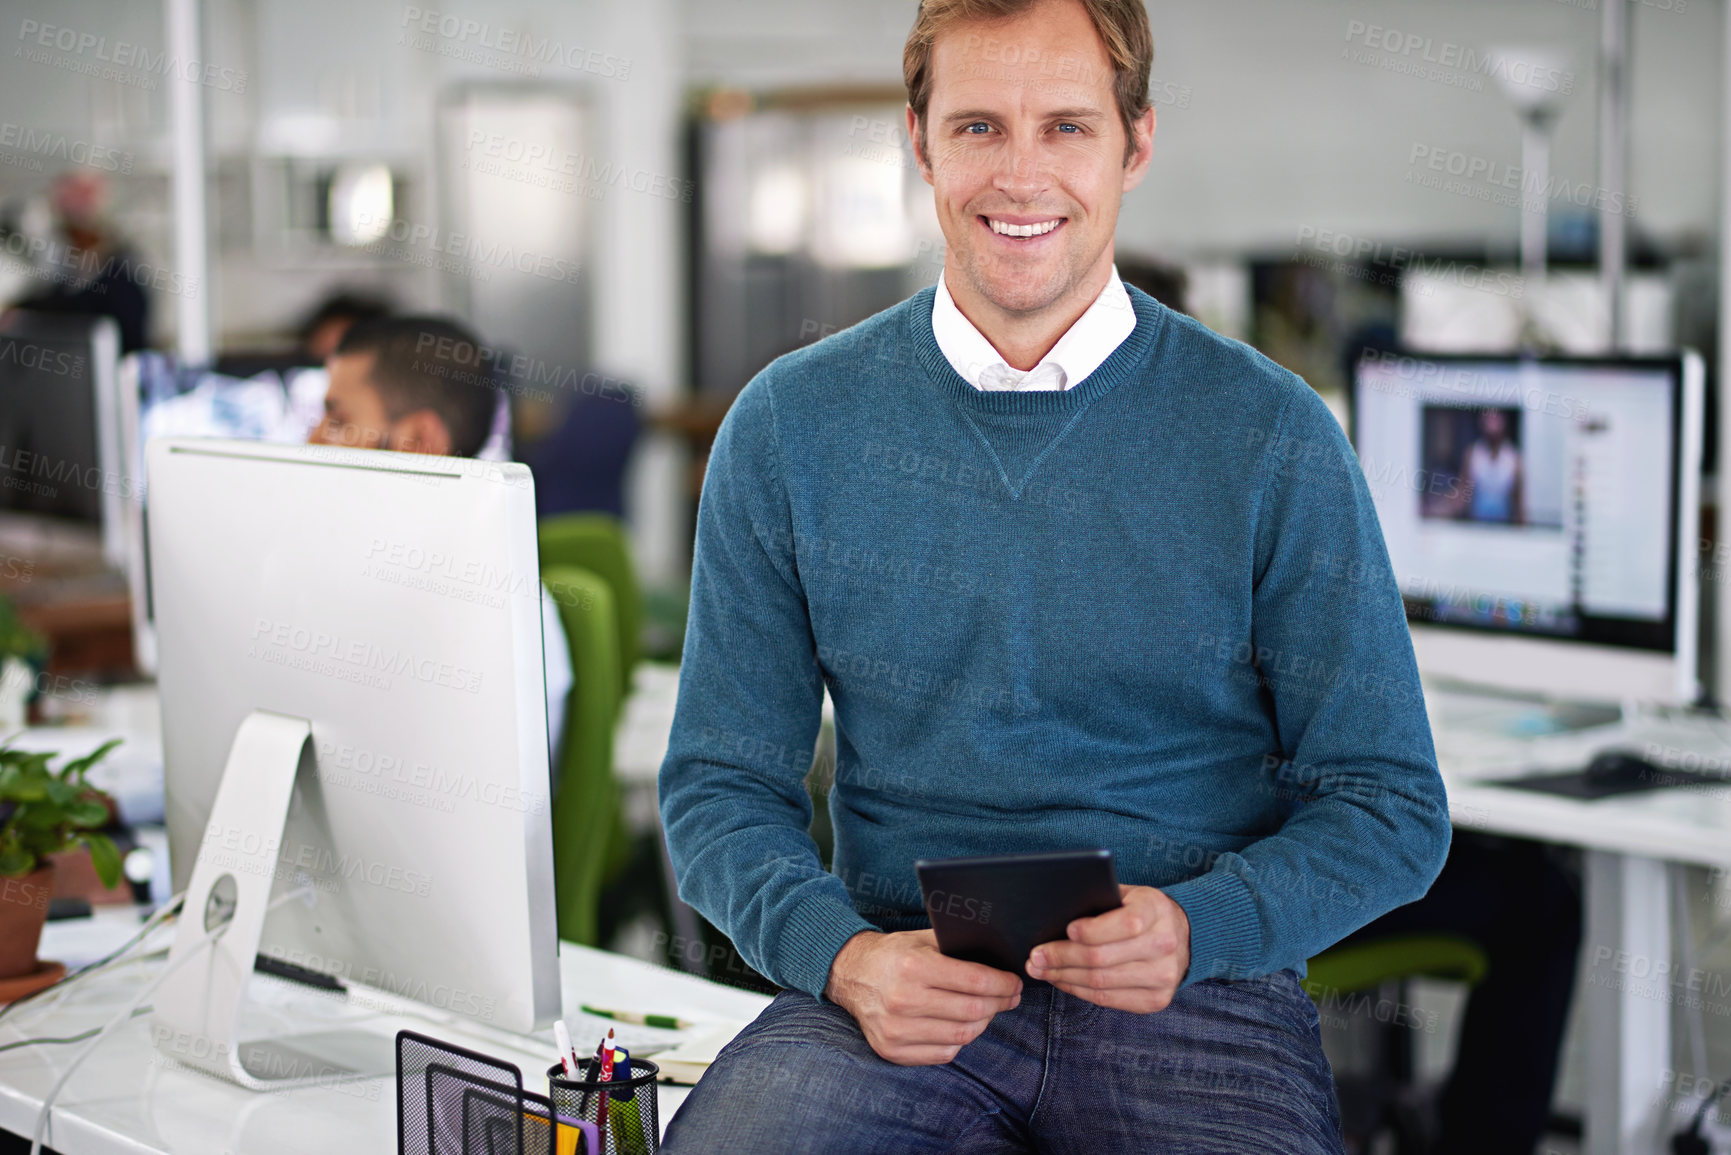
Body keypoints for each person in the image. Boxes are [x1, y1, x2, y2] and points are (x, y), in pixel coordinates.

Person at [656, 1, 1449, 1151]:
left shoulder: (1268, 433)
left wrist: (1197, 925)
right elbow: (721, 785)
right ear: (918, 142)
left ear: (1135, 145)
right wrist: (839, 954)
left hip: (1198, 999)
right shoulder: (789, 427)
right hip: (895, 982)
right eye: (979, 127)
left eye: (1066, 127)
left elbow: (1390, 804)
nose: (1020, 176)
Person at [305, 314, 573, 766]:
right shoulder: (367, 585)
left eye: (337, 420)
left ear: (418, 440)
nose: (311, 441)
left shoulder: (485, 615)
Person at [10, 171, 150, 353]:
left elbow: (79, 307)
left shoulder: (122, 276)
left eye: (69, 227)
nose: (64, 234)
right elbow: (56, 300)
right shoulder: (73, 271)